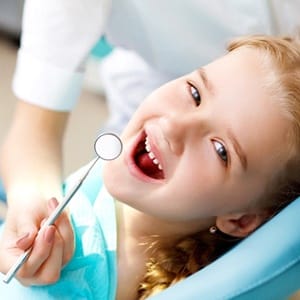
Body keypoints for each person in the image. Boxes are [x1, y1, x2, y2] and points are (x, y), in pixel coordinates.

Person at [0, 34, 300, 299]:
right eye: (195, 93)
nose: (174, 125)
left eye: (220, 150)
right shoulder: (110, 186)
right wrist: (25, 202)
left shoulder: (81, 281)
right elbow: (30, 140)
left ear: (240, 220)